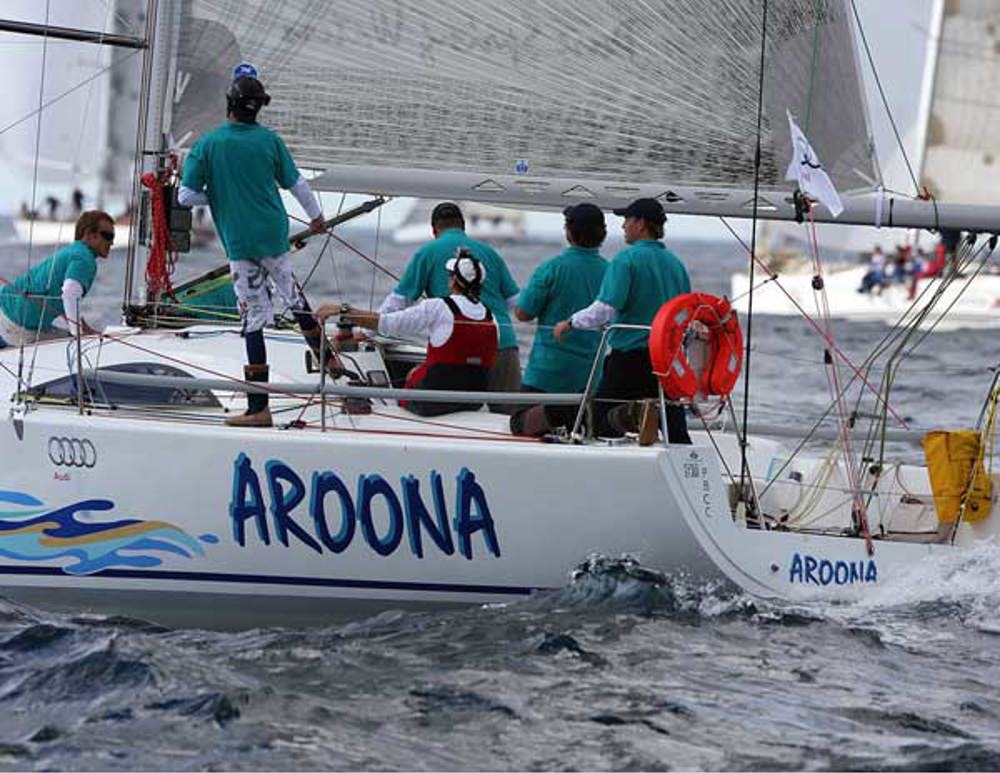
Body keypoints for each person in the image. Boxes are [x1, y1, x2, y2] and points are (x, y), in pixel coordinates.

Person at [178, 63, 333, 429]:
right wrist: (316, 218)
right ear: (258, 107)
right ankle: (330, 364)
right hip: (273, 234)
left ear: (228, 104)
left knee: (253, 318)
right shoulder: (270, 141)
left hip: (240, 242)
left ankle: (258, 408)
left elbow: (185, 197)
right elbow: (298, 186)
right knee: (293, 297)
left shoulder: (207, 145)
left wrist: (216, 195)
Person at [553, 198, 692, 445]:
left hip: (629, 358)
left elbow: (606, 308)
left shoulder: (625, 260)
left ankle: (634, 417)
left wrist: (571, 323)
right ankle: (690, 472)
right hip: (667, 360)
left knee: (598, 420)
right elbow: (684, 313)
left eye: (627, 220)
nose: (623, 226)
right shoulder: (677, 265)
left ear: (640, 224)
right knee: (676, 430)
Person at [318, 251, 498, 416]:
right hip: (472, 402)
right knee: (417, 371)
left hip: (432, 404)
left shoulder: (437, 307)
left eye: (450, 275)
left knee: (413, 376)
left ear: (454, 281)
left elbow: (387, 323)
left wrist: (342, 310)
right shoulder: (491, 317)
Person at [379, 202, 520, 405]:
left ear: (434, 230)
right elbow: (515, 302)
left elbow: (398, 302)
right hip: (503, 343)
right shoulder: (489, 252)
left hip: (459, 351)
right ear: (463, 226)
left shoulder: (427, 252)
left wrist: (366, 329)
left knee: (457, 416)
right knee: (507, 422)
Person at [510, 203, 608, 436]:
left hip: (547, 372)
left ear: (569, 232)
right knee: (580, 430)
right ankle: (565, 415)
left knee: (518, 425)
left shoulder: (552, 267)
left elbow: (523, 314)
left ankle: (554, 413)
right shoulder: (611, 271)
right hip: (590, 375)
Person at [0, 210, 115, 348]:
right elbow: (69, 292)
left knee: (75, 339)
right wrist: (77, 334)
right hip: (16, 324)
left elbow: (62, 295)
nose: (111, 242)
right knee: (80, 346)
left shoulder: (74, 251)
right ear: (89, 235)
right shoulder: (85, 258)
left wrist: (81, 326)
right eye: (107, 236)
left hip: (6, 311)